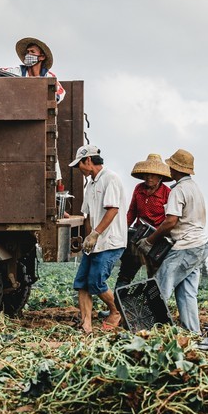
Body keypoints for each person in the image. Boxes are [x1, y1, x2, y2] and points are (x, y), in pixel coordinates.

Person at [145, 149, 208, 334]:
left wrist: (150, 240)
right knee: (187, 292)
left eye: (171, 166)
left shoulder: (178, 190)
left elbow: (171, 221)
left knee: (160, 287)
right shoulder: (194, 188)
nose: (169, 169)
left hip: (185, 246)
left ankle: (150, 332)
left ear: (176, 169)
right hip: (200, 246)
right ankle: (193, 333)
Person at [68, 143, 128, 333]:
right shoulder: (91, 184)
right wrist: (87, 236)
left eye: (79, 164)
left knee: (96, 282)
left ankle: (116, 311)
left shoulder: (110, 179)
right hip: (94, 244)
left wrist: (95, 233)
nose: (79, 169)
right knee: (82, 282)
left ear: (88, 160)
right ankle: (86, 324)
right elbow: (88, 216)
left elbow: (112, 210)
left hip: (110, 241)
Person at [115, 154, 172, 288]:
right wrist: (122, 230)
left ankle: (150, 307)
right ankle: (116, 307)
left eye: (152, 175)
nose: (149, 177)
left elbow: (170, 219)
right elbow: (132, 212)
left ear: (160, 177)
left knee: (154, 277)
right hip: (138, 235)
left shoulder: (167, 193)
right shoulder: (139, 189)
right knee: (125, 272)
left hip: (157, 238)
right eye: (146, 174)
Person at [2, 37, 66, 105]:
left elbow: (61, 91)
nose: (28, 54)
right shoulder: (17, 72)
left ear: (42, 57)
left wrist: (51, 98)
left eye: (32, 52)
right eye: (27, 52)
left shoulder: (48, 76)